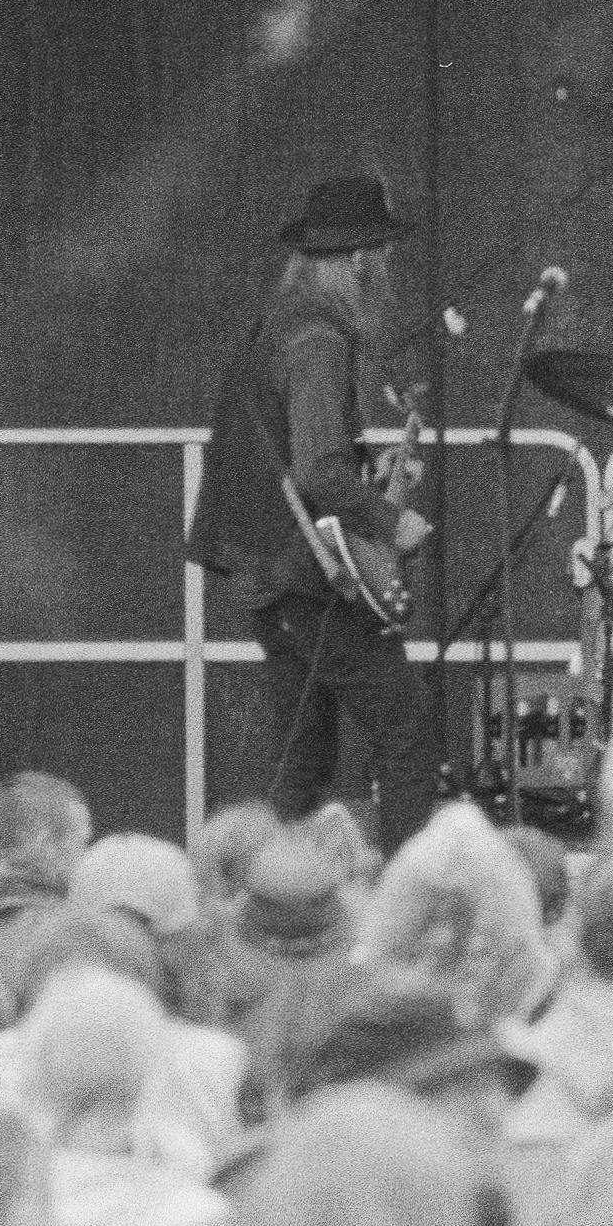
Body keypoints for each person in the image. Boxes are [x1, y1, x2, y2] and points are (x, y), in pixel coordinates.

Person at [187, 174, 444, 853]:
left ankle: (249, 899)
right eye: (383, 254)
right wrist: (392, 522)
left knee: (303, 756)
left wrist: (376, 476)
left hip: (266, 570)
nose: (387, 268)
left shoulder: (281, 325)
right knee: (408, 732)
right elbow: (316, 472)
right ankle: (402, 906)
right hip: (302, 575)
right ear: (360, 259)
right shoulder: (319, 342)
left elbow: (303, 459)